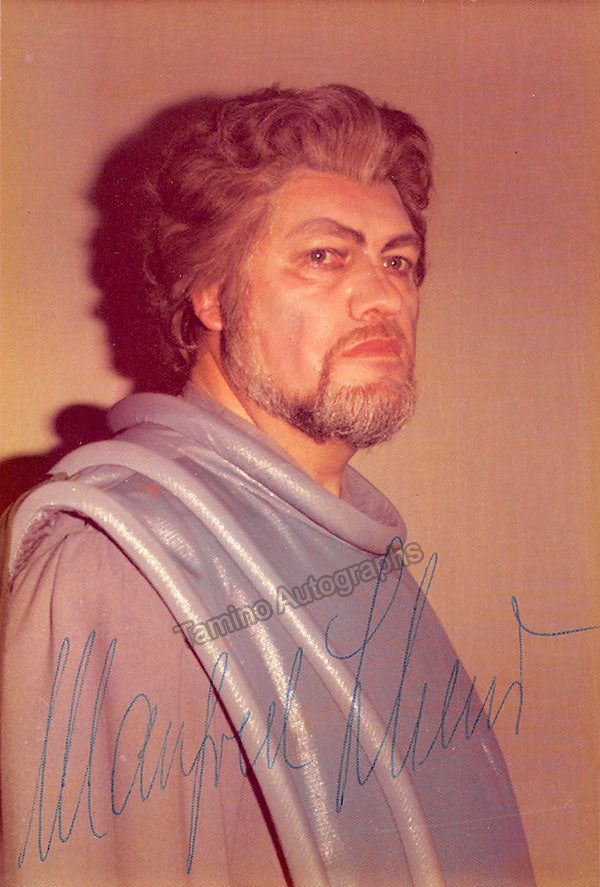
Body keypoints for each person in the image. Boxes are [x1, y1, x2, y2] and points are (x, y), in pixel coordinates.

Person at [0, 85, 535, 886]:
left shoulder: (362, 557)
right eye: (324, 256)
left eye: (397, 261)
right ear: (212, 294)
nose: (383, 295)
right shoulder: (123, 563)